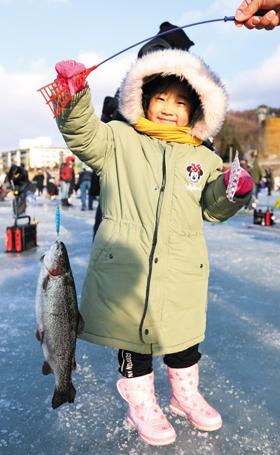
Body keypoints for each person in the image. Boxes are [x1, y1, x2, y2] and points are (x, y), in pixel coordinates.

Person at [54, 45, 253, 446]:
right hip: (127, 268)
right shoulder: (119, 140)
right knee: (134, 340)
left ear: (195, 112)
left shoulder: (203, 157)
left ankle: (185, 394)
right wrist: (73, 97)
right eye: (160, 98)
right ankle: (140, 400)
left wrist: (233, 192)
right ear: (144, 99)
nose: (168, 108)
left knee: (183, 339)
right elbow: (84, 135)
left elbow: (213, 207)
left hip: (182, 268)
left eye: (180, 102)